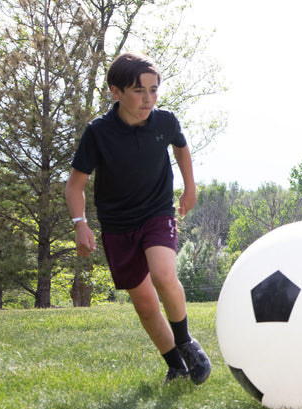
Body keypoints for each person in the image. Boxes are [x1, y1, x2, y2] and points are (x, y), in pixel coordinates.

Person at [65, 51, 211, 385]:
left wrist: (190, 188)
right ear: (116, 92)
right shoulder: (98, 133)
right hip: (118, 225)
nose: (148, 99)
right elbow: (75, 185)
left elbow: (181, 147)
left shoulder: (165, 121)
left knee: (162, 274)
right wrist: (80, 223)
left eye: (154, 90)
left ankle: (186, 342)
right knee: (144, 303)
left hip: (157, 212)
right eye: (138, 91)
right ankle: (176, 366)